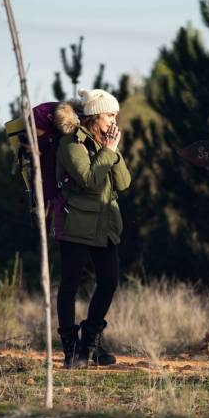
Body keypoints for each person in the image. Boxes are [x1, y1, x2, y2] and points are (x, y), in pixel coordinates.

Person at [52, 88, 131, 369]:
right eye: (110, 114)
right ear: (95, 116)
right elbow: (89, 180)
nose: (114, 120)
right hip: (75, 223)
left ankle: (91, 344)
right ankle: (71, 351)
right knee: (70, 286)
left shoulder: (105, 144)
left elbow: (123, 183)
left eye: (115, 115)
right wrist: (108, 153)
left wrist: (112, 152)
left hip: (105, 226)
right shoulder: (71, 144)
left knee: (109, 281)